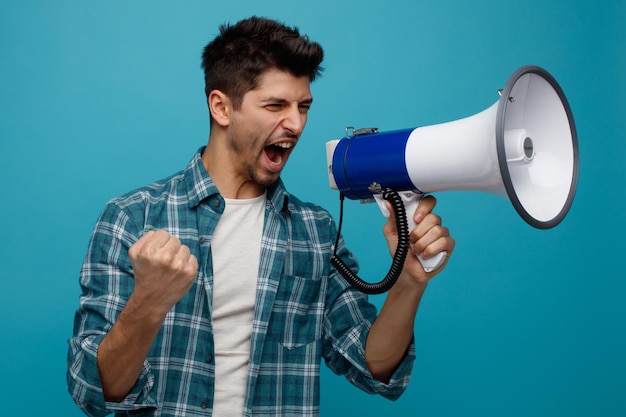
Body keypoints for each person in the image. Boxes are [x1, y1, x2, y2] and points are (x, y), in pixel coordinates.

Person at [67, 16, 455, 417]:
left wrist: (409, 280)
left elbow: (372, 366)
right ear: (221, 107)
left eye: (303, 106)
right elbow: (95, 391)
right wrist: (147, 304)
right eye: (275, 105)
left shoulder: (316, 232)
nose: (296, 123)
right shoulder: (131, 218)